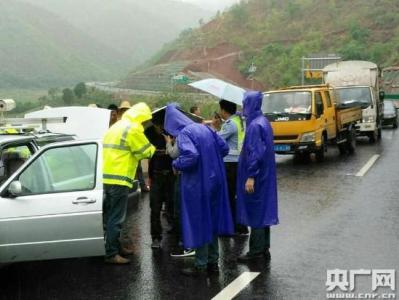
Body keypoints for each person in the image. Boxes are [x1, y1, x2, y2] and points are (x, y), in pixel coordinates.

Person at [164, 104, 234, 276]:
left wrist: (176, 163)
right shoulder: (205, 128)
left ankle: (201, 264)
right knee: (211, 221)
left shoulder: (184, 134)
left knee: (200, 221)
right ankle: (213, 263)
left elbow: (191, 156)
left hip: (198, 184)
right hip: (215, 180)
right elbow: (224, 148)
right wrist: (211, 160)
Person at [103, 103, 156, 264]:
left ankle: (117, 247)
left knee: (111, 216)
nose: (145, 124)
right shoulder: (133, 129)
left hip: (107, 178)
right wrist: (155, 147)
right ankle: (111, 254)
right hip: (120, 178)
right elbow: (146, 151)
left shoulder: (117, 125)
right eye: (145, 121)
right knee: (116, 218)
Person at [236, 91, 279, 263]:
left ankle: (255, 251)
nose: (243, 106)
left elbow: (255, 153)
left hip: (257, 176)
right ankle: (264, 248)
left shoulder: (254, 126)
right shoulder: (263, 122)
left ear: (250, 104)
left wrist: (251, 176)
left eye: (244, 103)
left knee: (255, 213)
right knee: (264, 212)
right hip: (266, 175)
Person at [213, 100, 248, 235]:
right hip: (238, 162)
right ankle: (241, 226)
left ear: (223, 111)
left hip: (230, 164)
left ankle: (233, 227)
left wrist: (215, 127)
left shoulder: (229, 124)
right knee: (235, 195)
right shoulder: (239, 121)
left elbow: (216, 140)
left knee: (228, 196)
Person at [145, 120, 175, 249]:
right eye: (157, 125)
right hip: (156, 175)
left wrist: (170, 144)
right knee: (155, 209)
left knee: (172, 206)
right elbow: (147, 153)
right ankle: (156, 237)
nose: (159, 127)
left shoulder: (172, 133)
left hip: (171, 176)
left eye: (161, 124)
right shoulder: (149, 134)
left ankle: (175, 231)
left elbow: (175, 153)